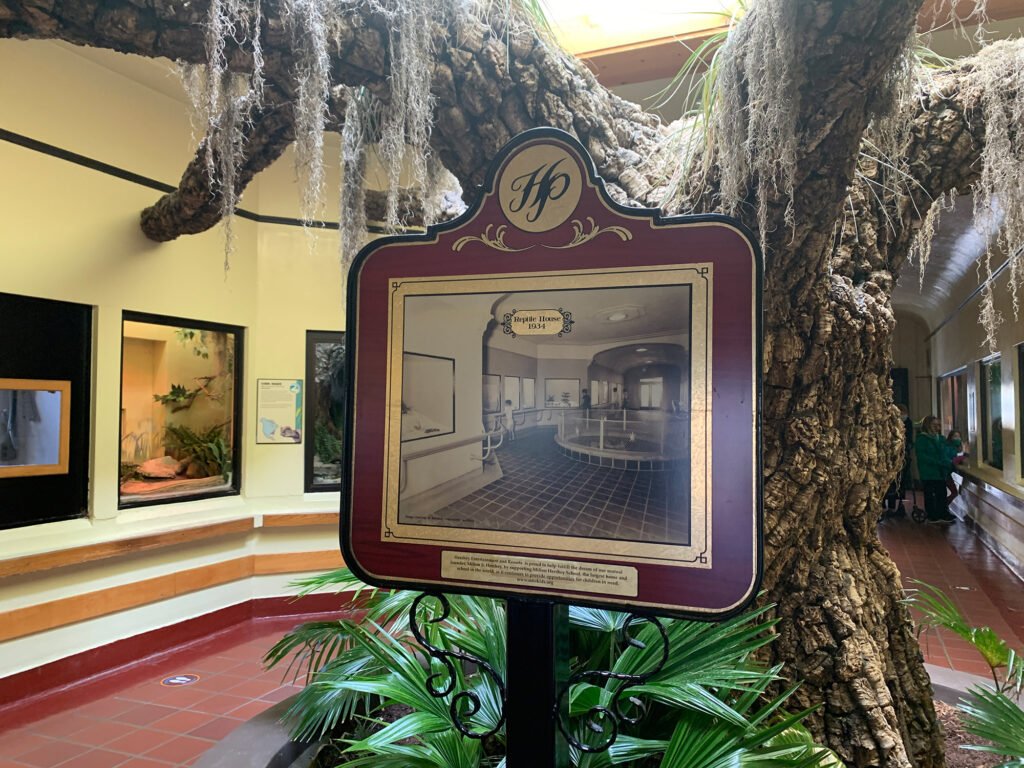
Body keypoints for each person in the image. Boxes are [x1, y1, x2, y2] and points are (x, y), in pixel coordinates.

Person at [915, 415, 955, 524]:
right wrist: (937, 462)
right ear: (927, 425)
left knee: (941, 492)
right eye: (934, 425)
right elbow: (922, 456)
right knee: (930, 493)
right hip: (928, 471)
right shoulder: (922, 439)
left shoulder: (941, 438)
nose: (937, 427)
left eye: (938, 425)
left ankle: (943, 513)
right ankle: (933, 515)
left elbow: (945, 451)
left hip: (940, 471)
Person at [944, 430, 967, 509]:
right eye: (955, 436)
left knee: (954, 492)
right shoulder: (947, 447)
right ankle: (944, 507)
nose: (957, 439)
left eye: (959, 437)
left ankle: (944, 507)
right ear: (950, 438)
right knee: (954, 492)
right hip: (945, 474)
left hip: (950, 474)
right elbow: (947, 460)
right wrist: (955, 461)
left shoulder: (957, 448)